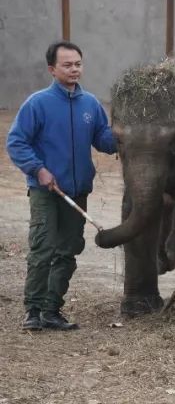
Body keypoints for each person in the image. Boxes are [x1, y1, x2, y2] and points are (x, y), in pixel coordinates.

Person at [6, 41, 117, 331]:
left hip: (77, 192)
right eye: (67, 65)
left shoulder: (91, 104)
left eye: (78, 63)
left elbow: (104, 140)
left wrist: (124, 135)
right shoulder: (37, 103)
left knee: (67, 251)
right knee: (43, 249)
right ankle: (33, 310)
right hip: (46, 191)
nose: (74, 69)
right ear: (52, 69)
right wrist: (38, 169)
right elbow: (16, 142)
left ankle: (52, 310)